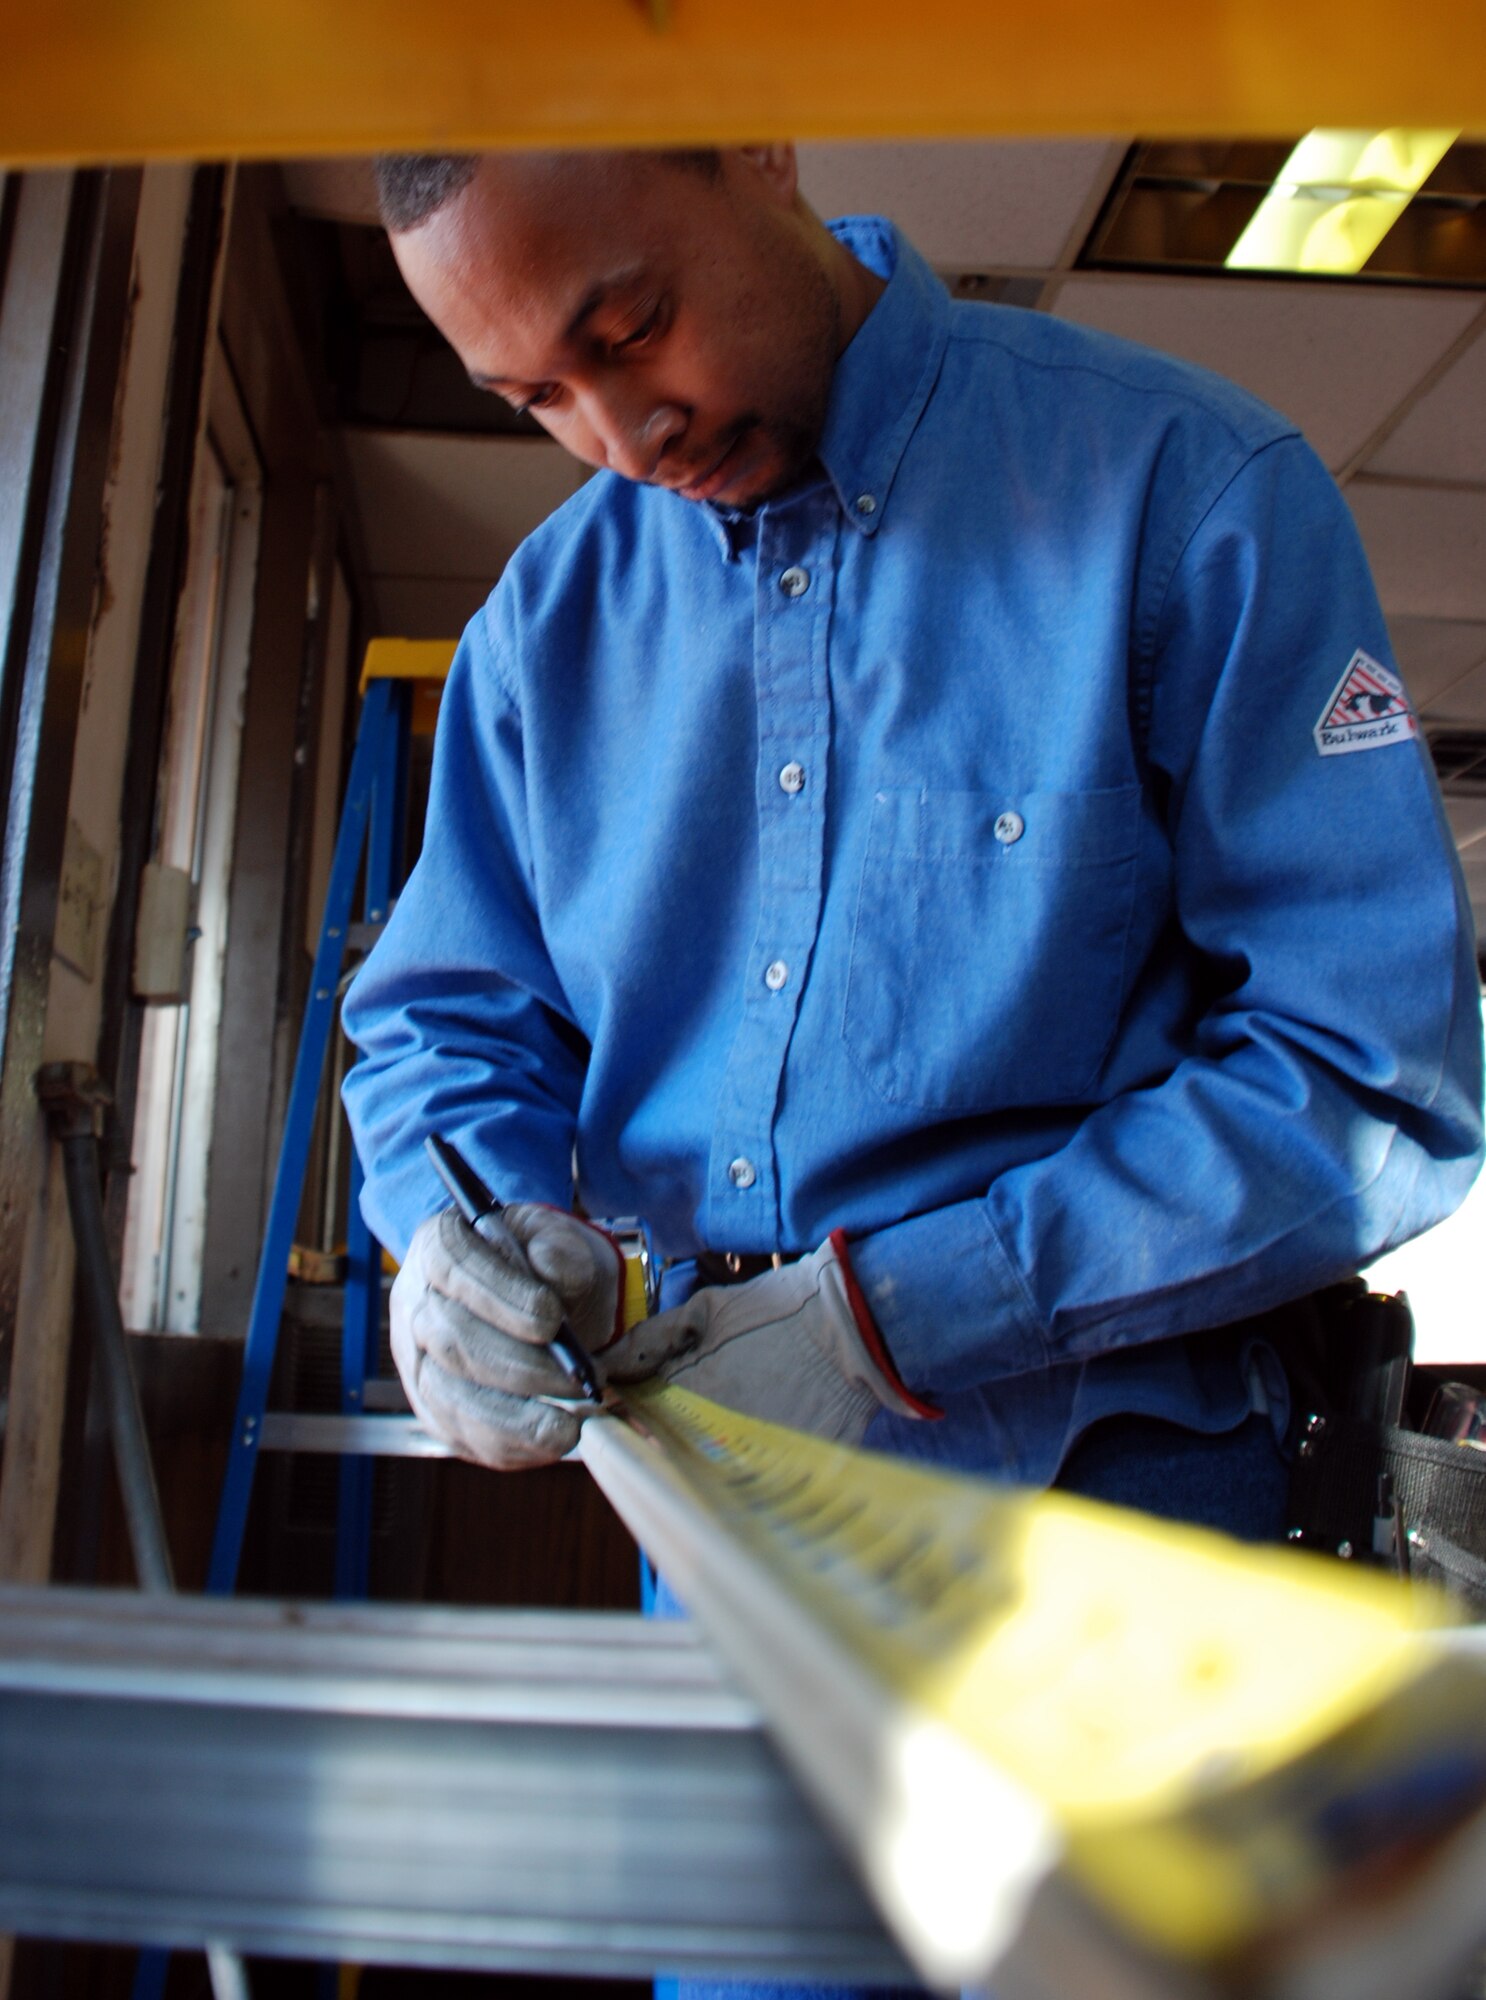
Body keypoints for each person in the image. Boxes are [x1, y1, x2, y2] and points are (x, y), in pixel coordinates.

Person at [341, 144, 1484, 1549]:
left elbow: (1368, 1079)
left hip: (1121, 1508)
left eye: (629, 332)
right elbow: (443, 1025)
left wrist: (884, 1319)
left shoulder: (1185, 497)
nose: (622, 436)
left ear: (757, 147)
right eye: (536, 401)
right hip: (713, 1493)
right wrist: (475, 1245)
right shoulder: (541, 628)